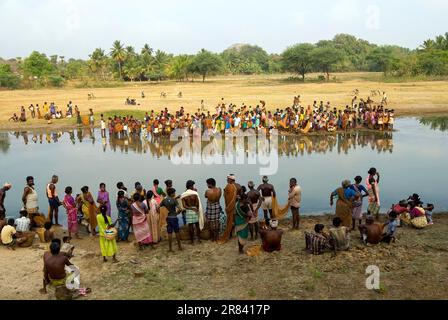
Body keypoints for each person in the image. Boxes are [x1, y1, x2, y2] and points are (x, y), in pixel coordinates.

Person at [181, 180, 204, 245]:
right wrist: (195, 208)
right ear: (191, 186)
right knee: (197, 225)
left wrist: (190, 208)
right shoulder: (195, 193)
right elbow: (197, 203)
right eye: (193, 185)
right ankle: (199, 239)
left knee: (190, 226)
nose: (193, 187)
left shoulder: (184, 194)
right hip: (195, 210)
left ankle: (192, 241)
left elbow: (184, 206)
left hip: (189, 211)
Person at [219, 174, 240, 243]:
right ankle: (236, 234)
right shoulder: (238, 186)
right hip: (237, 205)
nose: (227, 180)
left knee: (230, 221)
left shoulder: (228, 186)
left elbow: (226, 196)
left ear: (231, 179)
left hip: (231, 206)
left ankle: (230, 234)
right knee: (235, 220)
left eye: (228, 179)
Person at [160, 188, 183, 252]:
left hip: (169, 218)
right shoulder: (174, 200)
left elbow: (158, 207)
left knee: (169, 233)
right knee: (177, 232)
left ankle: (170, 248)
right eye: (174, 193)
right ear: (172, 193)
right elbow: (180, 209)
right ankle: (179, 247)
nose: (175, 194)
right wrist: (177, 213)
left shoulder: (164, 200)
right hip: (174, 217)